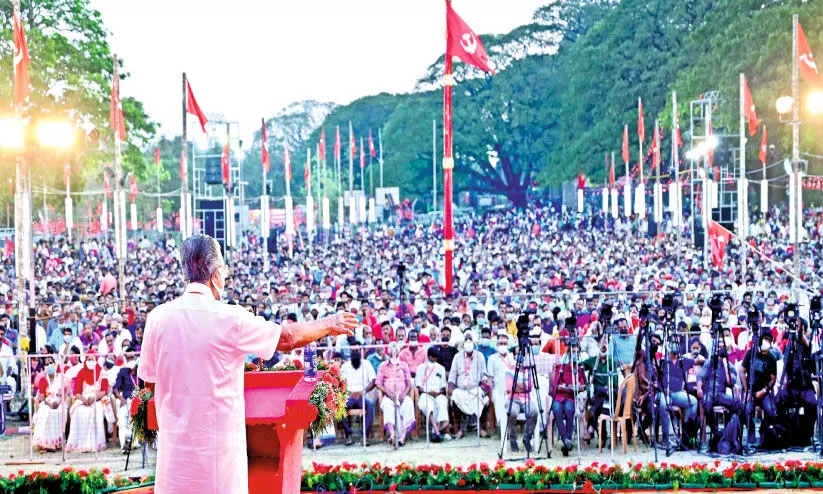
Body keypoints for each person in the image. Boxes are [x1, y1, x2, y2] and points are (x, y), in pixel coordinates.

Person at [137, 234, 356, 493]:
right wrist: (328, 324)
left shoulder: (158, 318)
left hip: (175, 458)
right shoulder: (230, 317)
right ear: (216, 274)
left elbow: (149, 383)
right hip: (219, 461)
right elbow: (285, 339)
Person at [654, 339, 698, 456]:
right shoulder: (662, 362)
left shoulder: (683, 361)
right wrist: (662, 388)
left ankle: (686, 433)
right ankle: (666, 437)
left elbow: (700, 360)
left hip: (678, 393)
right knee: (664, 404)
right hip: (663, 393)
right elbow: (655, 380)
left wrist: (696, 354)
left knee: (693, 401)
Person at [697, 337, 742, 440]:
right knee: (707, 404)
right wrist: (699, 388)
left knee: (737, 403)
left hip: (720, 395)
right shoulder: (710, 362)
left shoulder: (730, 366)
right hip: (709, 393)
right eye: (719, 347)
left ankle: (730, 431)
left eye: (723, 347)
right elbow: (700, 377)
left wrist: (725, 365)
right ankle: (714, 430)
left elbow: (731, 382)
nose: (720, 349)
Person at [65, 353, 109, 452]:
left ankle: (95, 444)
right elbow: (77, 393)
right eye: (88, 359)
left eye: (92, 359)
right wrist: (84, 400)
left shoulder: (101, 372)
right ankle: (78, 444)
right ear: (85, 360)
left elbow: (104, 391)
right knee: (77, 413)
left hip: (97, 399)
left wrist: (93, 398)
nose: (90, 362)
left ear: (96, 360)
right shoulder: (80, 373)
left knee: (96, 412)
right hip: (83, 399)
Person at [448, 333, 489, 439]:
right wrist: (451, 387)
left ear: (474, 343)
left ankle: (482, 428)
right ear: (463, 343)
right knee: (455, 396)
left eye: (470, 340)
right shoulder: (457, 357)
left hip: (475, 388)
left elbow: (484, 375)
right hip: (461, 389)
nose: (468, 343)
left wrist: (483, 386)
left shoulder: (479, 356)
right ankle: (460, 429)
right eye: (466, 340)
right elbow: (452, 375)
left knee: (484, 397)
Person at [740, 332, 777, 448]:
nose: (767, 342)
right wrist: (746, 391)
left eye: (769, 340)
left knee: (771, 411)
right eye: (765, 339)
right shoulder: (751, 353)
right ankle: (751, 431)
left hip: (764, 391)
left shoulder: (772, 357)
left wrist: (764, 391)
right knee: (746, 410)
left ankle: (762, 431)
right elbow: (742, 371)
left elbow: (773, 379)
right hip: (750, 389)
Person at [375, 341, 415, 446]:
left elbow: (409, 383)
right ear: (388, 351)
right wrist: (388, 393)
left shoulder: (404, 365)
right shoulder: (383, 366)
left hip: (402, 395)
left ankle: (402, 437)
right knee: (387, 406)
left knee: (408, 404)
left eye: (396, 349)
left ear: (399, 351)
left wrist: (404, 394)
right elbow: (378, 383)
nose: (394, 351)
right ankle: (393, 435)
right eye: (392, 349)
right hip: (389, 396)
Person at [551, 343, 586, 456]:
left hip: (570, 397)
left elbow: (583, 385)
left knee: (569, 410)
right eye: (572, 352)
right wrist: (568, 385)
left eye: (577, 352)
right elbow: (556, 384)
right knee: (557, 410)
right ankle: (566, 439)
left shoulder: (579, 369)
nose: (575, 355)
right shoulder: (561, 367)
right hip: (559, 396)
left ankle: (567, 440)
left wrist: (577, 388)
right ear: (568, 354)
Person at [340, 347, 376, 446]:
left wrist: (363, 391)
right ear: (350, 353)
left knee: (370, 404)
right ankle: (348, 434)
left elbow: (373, 381)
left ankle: (365, 434)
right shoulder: (345, 366)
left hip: (363, 393)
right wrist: (349, 392)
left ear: (361, 352)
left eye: (357, 351)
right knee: (341, 406)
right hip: (349, 394)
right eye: (353, 351)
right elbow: (340, 382)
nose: (355, 353)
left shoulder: (367, 364)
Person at [415, 347, 449, 442]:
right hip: (426, 394)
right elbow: (418, 385)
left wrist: (438, 393)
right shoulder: (421, 368)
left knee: (441, 403)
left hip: (438, 394)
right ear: (429, 356)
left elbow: (443, 386)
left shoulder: (441, 368)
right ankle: (437, 432)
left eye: (436, 357)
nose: (435, 359)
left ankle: (436, 432)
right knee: (428, 406)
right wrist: (428, 392)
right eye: (433, 357)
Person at [32, 359, 66, 452]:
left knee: (59, 411)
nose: (49, 365)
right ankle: (44, 443)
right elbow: (42, 397)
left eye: (51, 363)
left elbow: (64, 395)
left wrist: (58, 403)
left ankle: (55, 443)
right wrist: (50, 404)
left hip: (60, 403)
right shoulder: (43, 380)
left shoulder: (60, 379)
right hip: (47, 403)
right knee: (45, 412)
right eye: (47, 364)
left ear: (55, 364)